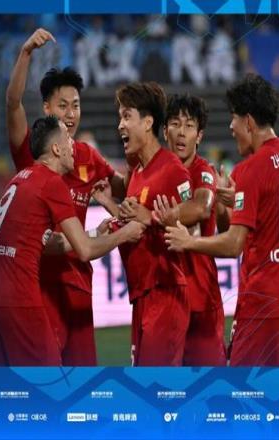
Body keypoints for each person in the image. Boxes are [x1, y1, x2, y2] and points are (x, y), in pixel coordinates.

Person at [164, 74, 279, 366]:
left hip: (265, 305)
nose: (231, 126)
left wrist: (188, 242)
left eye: (234, 118)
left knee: (244, 390)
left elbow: (233, 244)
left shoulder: (251, 168)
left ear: (248, 122)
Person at [6, 28, 128, 365]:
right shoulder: (32, 152)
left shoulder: (87, 155)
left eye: (76, 105)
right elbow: (12, 103)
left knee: (83, 382)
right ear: (46, 108)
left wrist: (145, 156)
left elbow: (121, 185)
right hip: (39, 290)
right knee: (44, 385)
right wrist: (26, 53)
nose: (71, 114)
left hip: (78, 288)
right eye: (63, 106)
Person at [0, 116, 144, 366]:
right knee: (51, 386)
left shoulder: (20, 179)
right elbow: (85, 251)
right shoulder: (52, 182)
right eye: (68, 139)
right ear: (56, 149)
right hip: (22, 303)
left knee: (6, 388)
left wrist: (94, 233)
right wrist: (126, 233)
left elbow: (46, 243)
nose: (73, 146)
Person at [112, 82, 193, 366]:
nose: (120, 125)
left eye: (127, 116)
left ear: (148, 123)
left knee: (157, 388)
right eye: (120, 117)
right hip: (142, 296)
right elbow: (137, 223)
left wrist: (151, 217)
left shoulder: (172, 168)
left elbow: (194, 213)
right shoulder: (137, 172)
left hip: (165, 293)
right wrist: (115, 213)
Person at [153, 93, 226, 366]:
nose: (181, 132)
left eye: (189, 125)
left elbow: (201, 208)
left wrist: (152, 216)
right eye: (175, 123)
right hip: (164, 297)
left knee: (211, 383)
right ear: (164, 131)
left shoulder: (203, 171)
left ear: (200, 136)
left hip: (200, 297)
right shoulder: (152, 172)